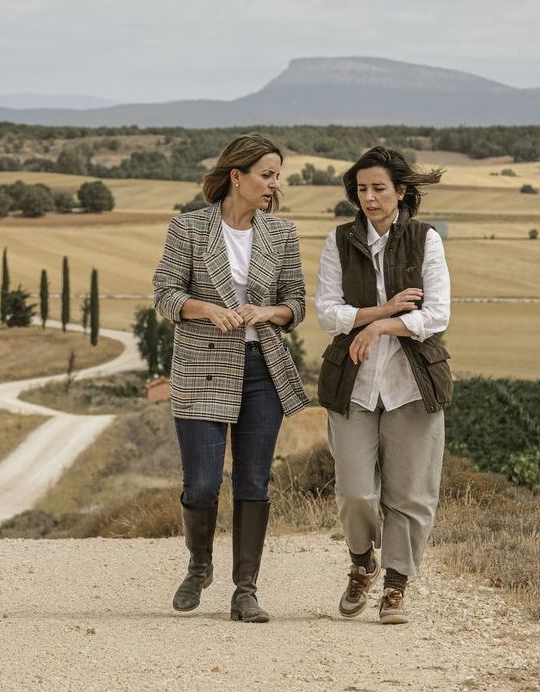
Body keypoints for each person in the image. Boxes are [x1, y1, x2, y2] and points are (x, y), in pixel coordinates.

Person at [153, 133, 309, 623]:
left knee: (253, 482)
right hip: (200, 365)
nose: (273, 184)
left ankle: (246, 590)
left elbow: (297, 304)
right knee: (201, 485)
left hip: (262, 369)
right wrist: (205, 310)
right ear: (236, 176)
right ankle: (200, 564)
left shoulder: (281, 235)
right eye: (266, 175)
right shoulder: (189, 228)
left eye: (277, 176)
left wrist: (269, 312)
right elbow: (164, 294)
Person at [314, 146, 452, 624]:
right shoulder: (338, 241)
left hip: (413, 384)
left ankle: (396, 584)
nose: (369, 198)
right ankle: (361, 564)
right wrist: (384, 311)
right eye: (361, 189)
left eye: (378, 189)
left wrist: (377, 328)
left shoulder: (425, 239)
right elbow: (327, 314)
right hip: (352, 384)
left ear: (401, 192)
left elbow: (437, 315)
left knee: (410, 492)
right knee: (355, 489)